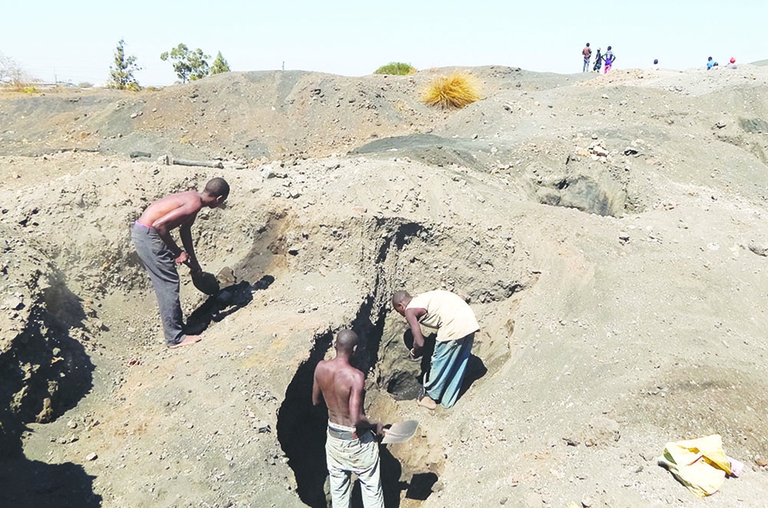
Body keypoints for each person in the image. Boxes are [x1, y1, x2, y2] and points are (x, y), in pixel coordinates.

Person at [132, 177, 230, 348]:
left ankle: (180, 329)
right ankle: (175, 337)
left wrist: (195, 264)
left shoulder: (195, 198)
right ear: (219, 198)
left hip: (144, 232)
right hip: (148, 235)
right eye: (223, 201)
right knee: (168, 283)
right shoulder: (194, 204)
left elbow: (185, 230)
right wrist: (177, 252)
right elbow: (159, 225)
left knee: (168, 282)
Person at [312, 329, 385, 508]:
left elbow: (315, 401)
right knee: (371, 487)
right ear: (355, 349)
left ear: (335, 345)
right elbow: (356, 419)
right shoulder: (355, 376)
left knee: (339, 491)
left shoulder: (320, 367)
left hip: (334, 438)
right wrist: (375, 426)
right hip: (355, 440)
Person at [392, 290, 479, 409]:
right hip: (469, 321)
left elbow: (420, 342)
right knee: (457, 363)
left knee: (439, 361)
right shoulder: (424, 297)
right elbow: (460, 297)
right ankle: (447, 401)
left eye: (399, 311)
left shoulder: (409, 310)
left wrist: (415, 352)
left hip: (453, 325)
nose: (401, 314)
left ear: (401, 305)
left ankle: (429, 397)